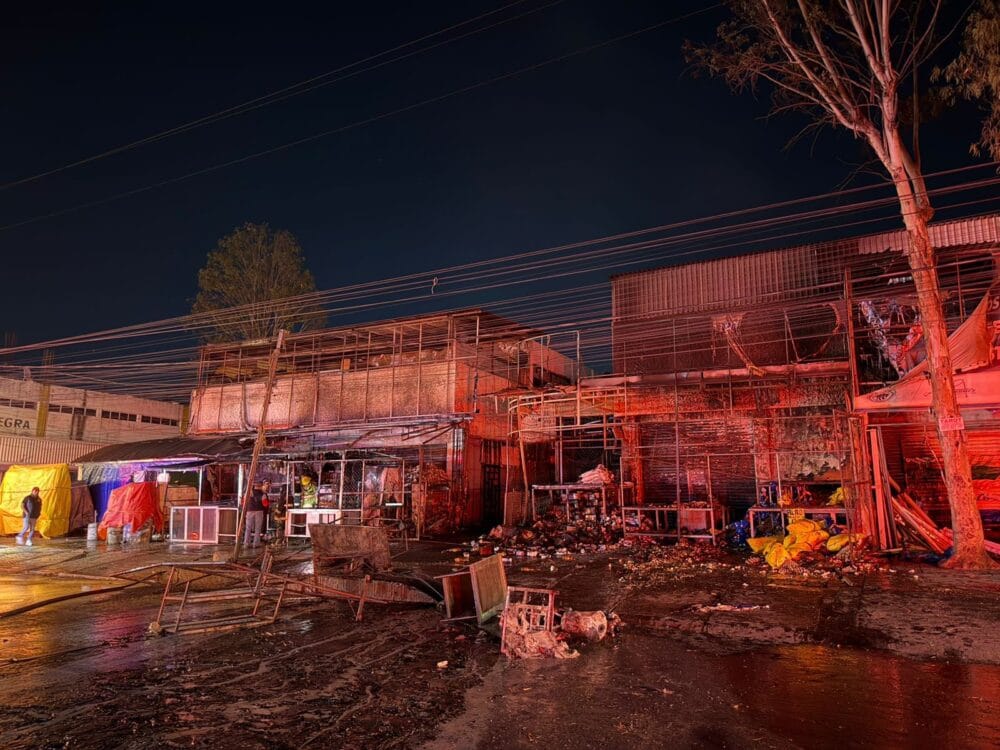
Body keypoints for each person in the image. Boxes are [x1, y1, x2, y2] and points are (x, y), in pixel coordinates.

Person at [244, 480, 270, 547]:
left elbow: (244, 502)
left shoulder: (248, 492)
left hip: (249, 511)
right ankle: (256, 544)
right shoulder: (262, 494)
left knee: (248, 528)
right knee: (257, 528)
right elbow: (265, 504)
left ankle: (246, 543)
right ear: (260, 486)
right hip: (259, 511)